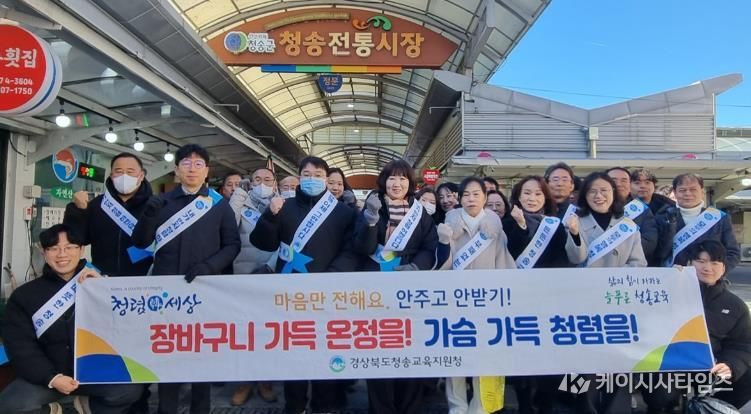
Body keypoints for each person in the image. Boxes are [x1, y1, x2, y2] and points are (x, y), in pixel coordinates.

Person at [132, 144, 241, 414]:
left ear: (207, 171)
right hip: (166, 292)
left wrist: (210, 266)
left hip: (205, 289)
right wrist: (148, 216)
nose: (192, 169)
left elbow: (232, 245)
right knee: (169, 354)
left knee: (202, 355)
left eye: (198, 164)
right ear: (177, 170)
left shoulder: (219, 205)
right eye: (186, 163)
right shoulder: (161, 202)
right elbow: (140, 242)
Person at [249, 156, 359, 414]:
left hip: (328, 294)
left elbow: (351, 250)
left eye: (318, 175)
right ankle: (295, 406)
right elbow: (262, 243)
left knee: (325, 351)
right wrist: (270, 216)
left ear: (326, 179)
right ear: (299, 177)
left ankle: (323, 406)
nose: (312, 179)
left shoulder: (342, 212)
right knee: (293, 352)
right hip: (289, 294)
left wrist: (332, 275)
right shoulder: (283, 207)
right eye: (307, 175)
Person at [0, 224, 143, 414]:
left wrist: (106, 292)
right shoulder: (24, 296)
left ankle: (88, 406)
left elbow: (127, 329)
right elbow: (20, 346)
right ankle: (53, 410)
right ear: (44, 253)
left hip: (94, 374)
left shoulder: (101, 284)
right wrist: (51, 378)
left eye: (69, 247)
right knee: (10, 405)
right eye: (54, 248)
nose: (62, 254)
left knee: (130, 390)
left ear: (81, 250)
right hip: (47, 377)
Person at [352, 159, 438, 414]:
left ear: (410, 183)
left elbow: (430, 247)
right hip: (375, 289)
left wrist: (416, 267)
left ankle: (409, 407)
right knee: (379, 349)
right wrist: (370, 221)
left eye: (402, 178)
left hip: (410, 289)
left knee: (411, 347)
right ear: (384, 181)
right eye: (392, 178)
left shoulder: (420, 213)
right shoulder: (372, 207)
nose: (397, 183)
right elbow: (361, 248)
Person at [563, 172, 646, 414]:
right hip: (583, 303)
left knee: (619, 360)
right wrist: (574, 233)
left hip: (617, 303)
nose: (598, 196)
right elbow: (575, 258)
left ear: (614, 194)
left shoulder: (627, 225)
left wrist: (613, 281)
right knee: (582, 361)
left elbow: (639, 264)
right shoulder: (576, 221)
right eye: (592, 191)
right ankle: (582, 408)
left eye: (604, 191)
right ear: (584, 196)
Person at [643, 241, 751, 412]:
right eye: (701, 261)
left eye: (715, 263)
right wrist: (669, 281)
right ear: (689, 263)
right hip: (670, 365)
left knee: (745, 378)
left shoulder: (735, 305)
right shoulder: (666, 293)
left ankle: (709, 407)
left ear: (723, 268)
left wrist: (730, 364)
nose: (707, 268)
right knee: (662, 395)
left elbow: (742, 345)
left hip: (711, 367)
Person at [436, 177, 514, 414]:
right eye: (466, 194)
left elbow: (504, 265)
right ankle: (457, 406)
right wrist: (443, 242)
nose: (471, 199)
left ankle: (481, 405)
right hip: (454, 301)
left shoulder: (495, 229)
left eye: (476, 194)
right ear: (459, 199)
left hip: (487, 302)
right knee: (456, 355)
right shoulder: (448, 226)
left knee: (486, 355)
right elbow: (441, 268)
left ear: (485, 197)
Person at [502, 176, 569, 413]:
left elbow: (562, 259)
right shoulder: (507, 223)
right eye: (527, 193)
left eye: (538, 194)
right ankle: (524, 403)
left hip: (548, 298)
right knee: (521, 352)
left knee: (549, 353)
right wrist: (520, 226)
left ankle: (545, 399)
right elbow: (509, 253)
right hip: (518, 299)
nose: (532, 198)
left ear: (545, 197)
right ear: (518, 197)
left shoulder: (554, 225)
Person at [226, 167, 279, 406]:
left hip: (271, 276)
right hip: (243, 277)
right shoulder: (241, 202)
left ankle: (266, 382)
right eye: (257, 179)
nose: (262, 183)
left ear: (275, 183)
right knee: (244, 334)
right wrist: (239, 194)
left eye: (267, 179)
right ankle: (243, 382)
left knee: (269, 334)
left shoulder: (281, 205)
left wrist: (270, 266)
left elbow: (289, 240)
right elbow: (228, 226)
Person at [63, 153, 153, 277]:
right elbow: (76, 239)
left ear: (141, 175)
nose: (124, 176)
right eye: (119, 171)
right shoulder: (97, 204)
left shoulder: (155, 206)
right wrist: (78, 211)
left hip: (145, 280)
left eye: (130, 172)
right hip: (102, 278)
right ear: (111, 175)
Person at [654, 173, 740, 271]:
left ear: (702, 192)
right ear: (675, 192)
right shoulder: (662, 217)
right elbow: (655, 253)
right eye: (682, 190)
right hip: (673, 276)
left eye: (693, 189)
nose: (688, 193)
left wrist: (717, 271)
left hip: (709, 277)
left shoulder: (719, 218)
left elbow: (733, 253)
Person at [606, 167, 659, 265]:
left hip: (630, 267)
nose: (619, 184)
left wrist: (618, 253)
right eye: (613, 180)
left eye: (624, 180)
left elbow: (649, 242)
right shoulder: (591, 208)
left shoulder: (640, 209)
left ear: (630, 184)